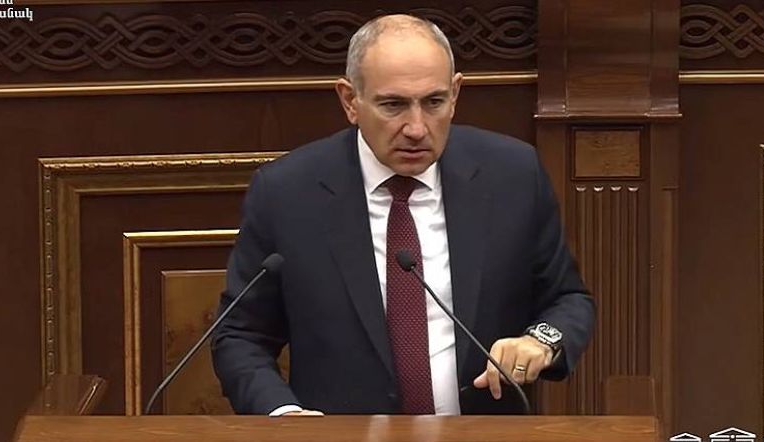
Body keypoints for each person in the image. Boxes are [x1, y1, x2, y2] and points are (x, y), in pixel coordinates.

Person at [211, 14, 595, 416]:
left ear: (455, 93)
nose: (416, 128)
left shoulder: (512, 175)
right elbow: (240, 335)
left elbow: (567, 298)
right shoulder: (287, 193)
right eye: (393, 105)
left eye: (433, 102)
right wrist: (285, 417)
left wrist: (541, 342)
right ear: (350, 101)